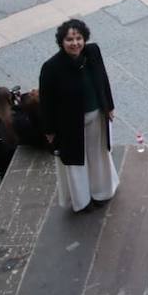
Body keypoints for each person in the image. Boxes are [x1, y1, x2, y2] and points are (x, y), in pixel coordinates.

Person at [39, 19, 118, 213]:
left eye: (78, 38)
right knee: (75, 163)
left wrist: (109, 106)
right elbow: (46, 101)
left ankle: (102, 192)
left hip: (96, 115)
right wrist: (49, 129)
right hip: (69, 124)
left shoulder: (93, 52)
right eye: (69, 39)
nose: (75, 43)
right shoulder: (51, 67)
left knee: (98, 155)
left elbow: (103, 78)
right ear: (61, 42)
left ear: (84, 39)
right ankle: (82, 201)